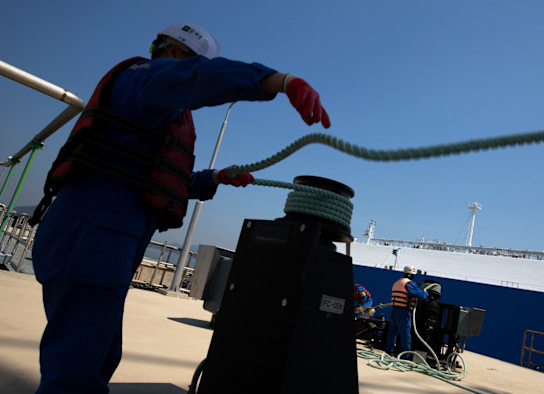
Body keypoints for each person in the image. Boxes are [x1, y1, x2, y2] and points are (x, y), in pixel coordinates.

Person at [29, 22, 330, 393]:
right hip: (92, 235)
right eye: (188, 63)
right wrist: (277, 80)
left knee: (98, 355)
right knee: (74, 368)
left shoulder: (152, 110)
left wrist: (216, 178)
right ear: (173, 54)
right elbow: (198, 78)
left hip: (104, 239)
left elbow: (156, 179)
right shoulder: (144, 79)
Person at [384, 265, 429, 358]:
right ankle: (405, 356)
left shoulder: (397, 282)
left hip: (395, 310)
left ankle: (388, 352)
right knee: (405, 335)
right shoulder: (409, 284)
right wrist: (426, 292)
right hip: (404, 312)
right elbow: (419, 294)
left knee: (392, 333)